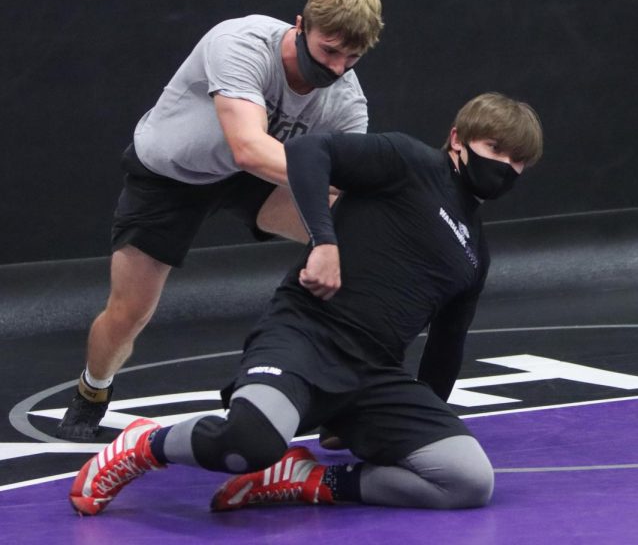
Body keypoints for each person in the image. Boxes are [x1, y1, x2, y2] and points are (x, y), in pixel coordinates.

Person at [68, 92, 543, 515]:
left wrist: (406, 430)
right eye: (495, 150)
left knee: (467, 480)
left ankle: (310, 480)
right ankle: (145, 444)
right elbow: (308, 150)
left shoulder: (473, 252)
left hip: (374, 374)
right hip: (304, 336)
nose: (504, 168)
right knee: (248, 443)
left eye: (517, 162)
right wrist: (324, 241)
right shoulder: (408, 160)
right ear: (457, 138)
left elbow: (445, 349)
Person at [56, 0, 384, 442]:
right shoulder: (242, 43)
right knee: (130, 312)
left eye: (352, 58)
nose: (336, 68)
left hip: (256, 179)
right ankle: (92, 391)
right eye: (329, 50)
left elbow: (348, 181)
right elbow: (248, 146)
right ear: (300, 25)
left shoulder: (346, 100)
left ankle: (344, 397)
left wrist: (351, 222)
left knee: (360, 238)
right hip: (173, 177)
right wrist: (334, 189)